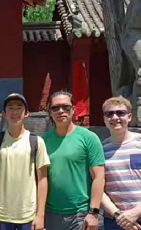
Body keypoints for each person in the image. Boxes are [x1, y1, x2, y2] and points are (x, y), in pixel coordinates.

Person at [0, 94, 50, 230]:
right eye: (10, 108)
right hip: (1, 215)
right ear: (4, 113)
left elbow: (42, 179)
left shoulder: (36, 142)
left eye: (19, 108)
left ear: (26, 113)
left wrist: (40, 215)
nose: (15, 112)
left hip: (28, 216)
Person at [42, 91, 105, 230]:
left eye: (66, 107)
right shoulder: (43, 141)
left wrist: (93, 213)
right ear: (50, 112)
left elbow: (99, 177)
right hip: (51, 214)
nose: (61, 111)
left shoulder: (89, 138)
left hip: (81, 214)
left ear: (73, 110)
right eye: (55, 108)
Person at [101, 97, 141, 230]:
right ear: (104, 119)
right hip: (115, 221)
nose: (115, 117)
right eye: (110, 114)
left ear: (129, 117)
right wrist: (118, 215)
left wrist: (135, 212)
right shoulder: (100, 149)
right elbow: (97, 187)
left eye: (120, 113)